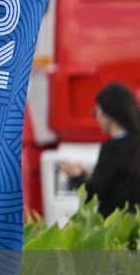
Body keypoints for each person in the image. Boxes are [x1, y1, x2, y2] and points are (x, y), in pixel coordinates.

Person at [58, 82, 140, 217]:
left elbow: (93, 196)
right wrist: (89, 174)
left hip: (114, 228)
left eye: (97, 111)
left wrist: (76, 176)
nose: (96, 117)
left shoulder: (112, 148)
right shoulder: (134, 144)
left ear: (109, 114)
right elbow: (121, 182)